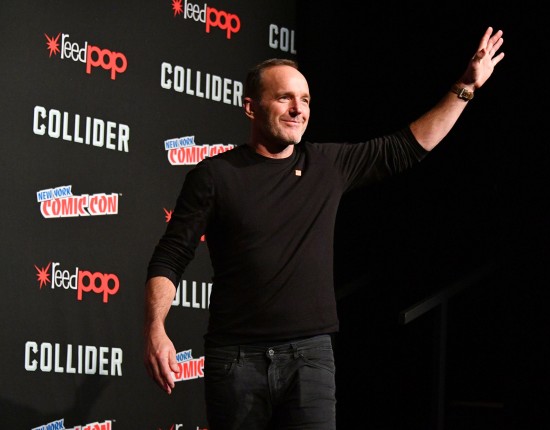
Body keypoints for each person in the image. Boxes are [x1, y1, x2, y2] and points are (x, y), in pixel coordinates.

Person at [144, 26, 505, 429]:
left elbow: (408, 146)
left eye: (305, 100)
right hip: (236, 359)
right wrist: (156, 328)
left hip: (310, 357)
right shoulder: (214, 176)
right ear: (250, 107)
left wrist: (464, 88)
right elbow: (171, 255)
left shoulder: (326, 165)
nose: (298, 109)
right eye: (284, 97)